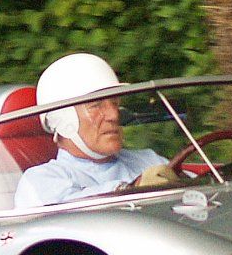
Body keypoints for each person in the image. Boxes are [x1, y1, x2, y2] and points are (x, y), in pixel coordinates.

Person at [13, 53, 175, 209]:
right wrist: (133, 188)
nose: (114, 115)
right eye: (96, 105)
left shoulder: (148, 159)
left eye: (114, 102)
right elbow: (72, 215)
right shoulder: (41, 180)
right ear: (62, 119)